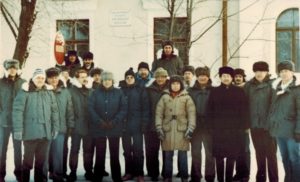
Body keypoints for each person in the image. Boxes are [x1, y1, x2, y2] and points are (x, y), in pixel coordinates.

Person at [12, 68, 59, 182]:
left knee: (41, 163)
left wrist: (55, 128)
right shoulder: (25, 92)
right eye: (38, 77)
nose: (40, 80)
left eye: (42, 78)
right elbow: (17, 111)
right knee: (27, 163)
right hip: (30, 133)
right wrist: (18, 130)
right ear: (33, 79)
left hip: (45, 134)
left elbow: (54, 111)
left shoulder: (49, 92)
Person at [207, 66, 249, 182]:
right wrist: (210, 127)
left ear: (232, 78)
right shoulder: (214, 91)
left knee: (231, 157)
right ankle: (220, 179)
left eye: (228, 76)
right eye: (223, 76)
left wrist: (244, 126)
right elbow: (209, 110)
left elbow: (244, 110)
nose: (226, 78)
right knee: (219, 158)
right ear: (220, 77)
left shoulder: (239, 91)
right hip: (218, 130)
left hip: (234, 130)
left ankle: (229, 179)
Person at [88, 71, 127, 182]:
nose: (107, 82)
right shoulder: (95, 93)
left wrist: (114, 121)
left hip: (114, 128)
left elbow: (123, 109)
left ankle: (116, 176)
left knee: (114, 154)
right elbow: (91, 108)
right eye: (105, 80)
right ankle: (98, 176)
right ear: (101, 81)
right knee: (100, 154)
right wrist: (99, 121)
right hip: (99, 128)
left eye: (109, 80)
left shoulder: (119, 93)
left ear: (112, 81)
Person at [156, 75, 196, 182]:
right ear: (170, 85)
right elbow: (159, 114)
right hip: (167, 129)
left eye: (177, 84)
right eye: (173, 84)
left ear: (181, 85)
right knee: (168, 154)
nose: (175, 86)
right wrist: (159, 128)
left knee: (183, 155)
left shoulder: (187, 97)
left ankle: (184, 176)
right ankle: (167, 176)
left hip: (182, 129)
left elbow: (191, 114)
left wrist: (190, 128)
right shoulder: (164, 97)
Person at [244, 61, 278, 182]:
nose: (259, 73)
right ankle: (260, 179)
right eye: (257, 71)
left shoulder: (273, 84)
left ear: (267, 72)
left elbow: (275, 106)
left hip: (269, 127)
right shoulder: (248, 85)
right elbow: (245, 105)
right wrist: (247, 122)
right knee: (259, 154)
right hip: (254, 125)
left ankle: (274, 179)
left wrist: (270, 123)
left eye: (262, 71)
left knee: (271, 155)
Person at [268, 61, 300, 182]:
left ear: (292, 72)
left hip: (292, 131)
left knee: (294, 158)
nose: (284, 74)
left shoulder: (297, 88)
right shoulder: (276, 87)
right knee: (285, 157)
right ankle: (289, 178)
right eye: (281, 71)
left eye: (286, 71)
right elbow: (272, 108)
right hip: (279, 130)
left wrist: (298, 131)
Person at [119, 68, 149, 182]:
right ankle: (128, 172)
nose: (129, 79)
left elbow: (145, 108)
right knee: (127, 150)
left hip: (137, 124)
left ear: (134, 78)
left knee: (138, 150)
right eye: (127, 77)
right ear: (125, 79)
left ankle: (139, 173)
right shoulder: (121, 90)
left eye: (131, 77)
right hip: (124, 125)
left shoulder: (141, 90)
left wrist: (144, 124)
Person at [45, 67, 75, 182]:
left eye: (56, 77)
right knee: (47, 152)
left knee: (59, 152)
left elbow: (70, 110)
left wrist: (70, 125)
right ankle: (50, 171)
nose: (54, 80)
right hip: (46, 128)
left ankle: (58, 174)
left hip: (61, 127)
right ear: (47, 79)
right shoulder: (44, 91)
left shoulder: (65, 91)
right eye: (51, 78)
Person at [188, 66, 215, 182]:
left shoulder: (214, 90)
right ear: (197, 77)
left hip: (210, 126)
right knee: (195, 152)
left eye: (205, 75)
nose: (202, 77)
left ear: (208, 77)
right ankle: (196, 175)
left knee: (210, 153)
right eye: (200, 75)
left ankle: (210, 176)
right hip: (196, 126)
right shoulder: (191, 91)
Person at [0, 59, 25, 182]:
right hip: (3, 122)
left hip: (18, 123)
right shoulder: (0, 83)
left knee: (18, 149)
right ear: (6, 69)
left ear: (18, 68)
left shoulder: (23, 83)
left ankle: (19, 173)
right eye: (10, 67)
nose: (12, 70)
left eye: (14, 67)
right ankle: (1, 174)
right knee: (1, 150)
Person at [67, 69, 94, 181]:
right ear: (77, 78)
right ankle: (73, 172)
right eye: (81, 77)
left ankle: (88, 171)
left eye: (85, 76)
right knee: (75, 149)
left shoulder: (92, 91)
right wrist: (71, 124)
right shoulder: (71, 91)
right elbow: (69, 109)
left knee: (88, 150)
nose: (84, 79)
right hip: (77, 126)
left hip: (89, 126)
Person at [144, 67, 169, 181]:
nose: (160, 79)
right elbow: (145, 107)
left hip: (167, 125)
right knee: (151, 150)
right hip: (151, 125)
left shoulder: (171, 88)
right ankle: (153, 173)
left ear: (166, 77)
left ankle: (166, 173)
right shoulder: (149, 89)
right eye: (158, 76)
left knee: (166, 150)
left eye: (162, 76)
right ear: (155, 77)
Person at [232, 68, 251, 182]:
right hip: (233, 125)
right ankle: (238, 173)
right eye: (236, 76)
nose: (238, 78)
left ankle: (246, 174)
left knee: (245, 150)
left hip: (244, 124)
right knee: (236, 150)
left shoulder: (247, 88)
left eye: (240, 76)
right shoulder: (231, 89)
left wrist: (247, 124)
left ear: (243, 77)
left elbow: (249, 108)